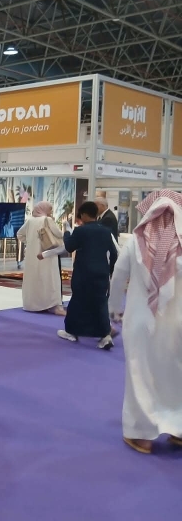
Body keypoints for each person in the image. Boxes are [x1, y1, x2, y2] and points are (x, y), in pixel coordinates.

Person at [108, 190, 182, 454]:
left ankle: (142, 435)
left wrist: (114, 309)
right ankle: (178, 428)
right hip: (177, 324)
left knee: (140, 373)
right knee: (175, 373)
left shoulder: (136, 242)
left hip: (141, 320)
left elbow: (118, 276)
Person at [57, 201, 118, 350]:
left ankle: (72, 332)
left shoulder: (81, 231)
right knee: (100, 303)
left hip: (84, 273)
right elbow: (114, 253)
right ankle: (105, 336)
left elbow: (69, 247)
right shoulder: (106, 231)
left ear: (84, 214)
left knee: (77, 302)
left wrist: (67, 232)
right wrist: (110, 271)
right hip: (101, 272)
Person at [17, 201, 65, 315]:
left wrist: (30, 242)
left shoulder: (30, 221)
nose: (51, 212)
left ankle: (33, 304)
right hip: (47, 254)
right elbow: (59, 234)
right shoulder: (47, 220)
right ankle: (52, 305)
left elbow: (19, 234)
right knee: (49, 279)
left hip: (32, 256)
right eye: (50, 209)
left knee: (34, 279)